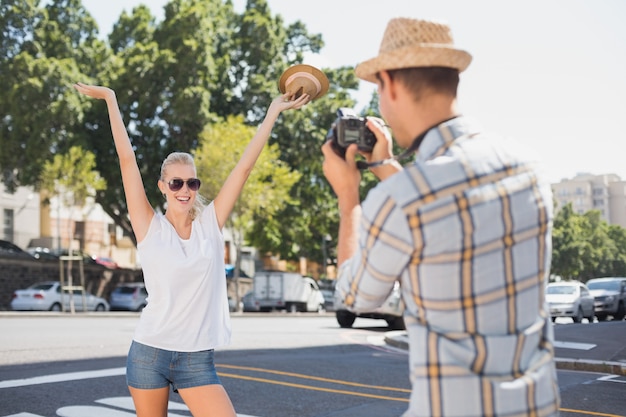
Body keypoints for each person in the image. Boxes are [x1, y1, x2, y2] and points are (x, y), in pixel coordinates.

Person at [321, 18, 561, 417]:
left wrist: (349, 199)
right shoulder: (529, 167)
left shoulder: (401, 199)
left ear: (389, 83)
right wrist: (385, 164)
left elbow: (354, 297)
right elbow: (449, 205)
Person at [74, 82, 309, 417]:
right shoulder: (149, 227)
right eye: (176, 183)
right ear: (163, 187)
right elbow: (127, 160)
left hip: (197, 360)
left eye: (191, 182)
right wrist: (111, 99)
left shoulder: (209, 226)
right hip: (149, 354)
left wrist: (272, 112)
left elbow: (243, 169)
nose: (184, 190)